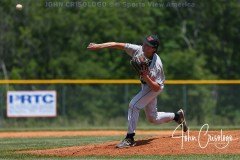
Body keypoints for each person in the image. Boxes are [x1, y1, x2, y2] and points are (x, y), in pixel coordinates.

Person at [87, 35, 188, 148]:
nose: (144, 46)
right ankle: (177, 116)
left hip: (154, 87)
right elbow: (117, 44)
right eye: (144, 43)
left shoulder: (157, 65)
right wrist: (99, 46)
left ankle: (129, 138)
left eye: (147, 45)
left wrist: (146, 77)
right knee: (152, 118)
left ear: (153, 49)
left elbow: (156, 88)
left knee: (134, 105)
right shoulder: (139, 49)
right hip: (146, 84)